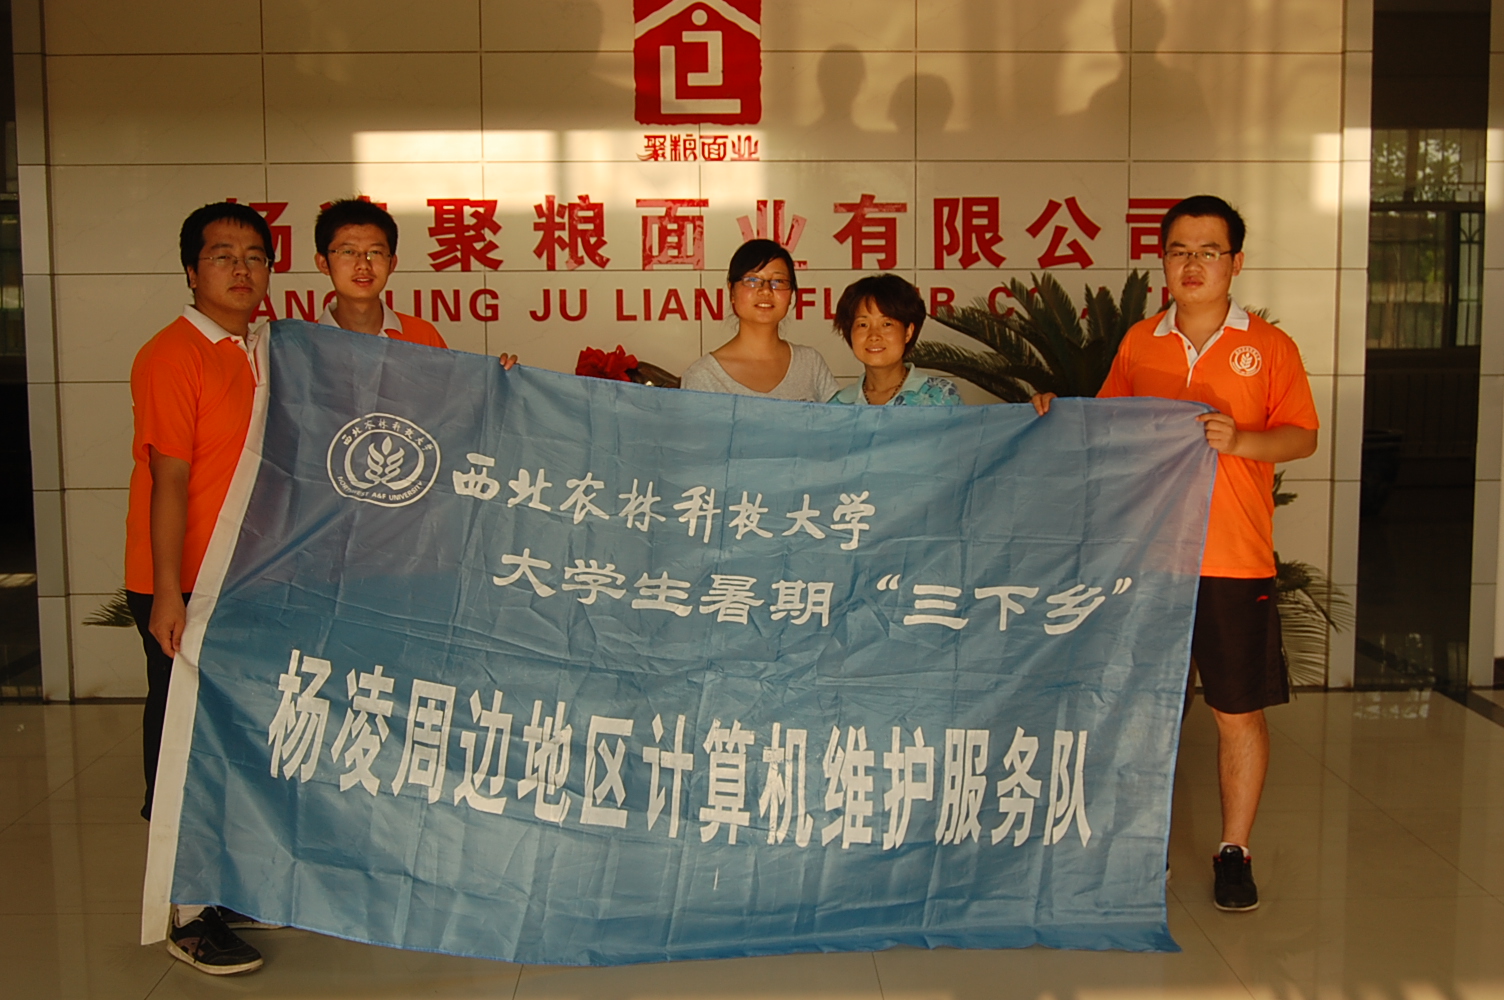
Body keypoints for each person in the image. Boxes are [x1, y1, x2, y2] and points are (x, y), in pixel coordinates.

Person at [1030, 195, 1319, 913]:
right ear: (1163, 262)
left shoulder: (1270, 348)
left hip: (1233, 559)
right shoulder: (1141, 341)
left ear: (1235, 263)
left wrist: (1242, 441)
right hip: (1150, 558)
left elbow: (1302, 435)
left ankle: (1233, 850)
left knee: (1236, 711)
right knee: (1142, 706)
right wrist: (1055, 412)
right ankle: (1141, 847)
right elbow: (1106, 426)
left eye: (1208, 251)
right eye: (1179, 251)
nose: (1193, 264)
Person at [126, 202, 276, 974]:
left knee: (229, 740)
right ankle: (186, 912)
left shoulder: (262, 349)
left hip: (244, 579)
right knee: (182, 740)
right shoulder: (173, 354)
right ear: (191, 271)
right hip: (185, 582)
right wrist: (166, 591)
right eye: (222, 256)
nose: (240, 269)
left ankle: (219, 887)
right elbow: (170, 478)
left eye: (254, 256)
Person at [313, 197, 517, 367]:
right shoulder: (304, 345)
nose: (363, 265)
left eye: (375, 252)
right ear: (323, 263)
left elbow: (452, 397)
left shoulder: (422, 337)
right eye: (348, 252)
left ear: (392, 263)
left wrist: (502, 382)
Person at [681, 239, 838, 401]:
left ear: (791, 294)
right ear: (732, 291)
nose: (766, 291)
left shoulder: (810, 364)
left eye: (778, 281)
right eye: (752, 280)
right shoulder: (703, 377)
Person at [828, 273, 961, 406]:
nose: (874, 336)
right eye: (863, 325)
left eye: (886, 324)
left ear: (908, 332)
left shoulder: (940, 395)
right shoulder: (838, 405)